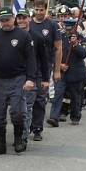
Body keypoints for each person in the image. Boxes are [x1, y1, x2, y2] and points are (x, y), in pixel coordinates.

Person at [0, 7, 36, 155]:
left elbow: (31, 59)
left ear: (13, 19)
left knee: (17, 113)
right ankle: (0, 144)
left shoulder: (24, 36)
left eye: (7, 19)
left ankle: (18, 140)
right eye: (2, 20)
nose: (5, 23)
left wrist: (30, 79)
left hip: (18, 79)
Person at [28, 0, 62, 140]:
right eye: (36, 9)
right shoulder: (28, 24)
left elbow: (58, 48)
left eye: (42, 9)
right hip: (28, 67)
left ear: (46, 10)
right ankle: (26, 125)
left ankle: (37, 129)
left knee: (40, 99)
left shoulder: (52, 25)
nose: (39, 12)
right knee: (26, 99)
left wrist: (57, 70)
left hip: (44, 67)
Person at [16, 9, 49, 145]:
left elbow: (44, 59)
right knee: (16, 109)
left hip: (33, 77)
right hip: (16, 77)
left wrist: (46, 79)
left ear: (29, 19)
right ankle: (21, 131)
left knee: (28, 107)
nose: (22, 21)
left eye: (24, 18)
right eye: (19, 18)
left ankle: (23, 137)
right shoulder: (13, 35)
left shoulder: (38, 37)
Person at [48, 20, 86, 126]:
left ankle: (75, 116)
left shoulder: (81, 38)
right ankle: (54, 117)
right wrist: (59, 65)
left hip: (76, 73)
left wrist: (75, 45)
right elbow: (52, 53)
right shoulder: (58, 37)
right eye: (66, 28)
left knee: (75, 96)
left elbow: (83, 54)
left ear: (75, 27)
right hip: (62, 72)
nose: (68, 31)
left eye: (71, 29)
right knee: (58, 94)